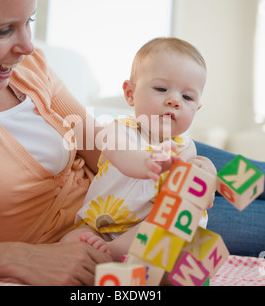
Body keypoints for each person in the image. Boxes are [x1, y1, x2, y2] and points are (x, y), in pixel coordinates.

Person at [0, 0, 216, 285]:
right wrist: (21, 258)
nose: (28, 46)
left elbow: (99, 144)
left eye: (29, 21)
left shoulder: (30, 66)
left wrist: (191, 171)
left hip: (133, 179)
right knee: (261, 234)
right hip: (97, 222)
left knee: (255, 182)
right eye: (4, 30)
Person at [60, 37, 215, 261]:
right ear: (130, 93)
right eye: (162, 88)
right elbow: (121, 154)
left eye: (187, 97)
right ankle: (113, 255)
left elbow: (190, 193)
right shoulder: (119, 129)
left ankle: (116, 253)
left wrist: (205, 171)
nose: (174, 100)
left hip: (147, 228)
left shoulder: (185, 147)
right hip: (100, 226)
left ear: (197, 108)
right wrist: (147, 162)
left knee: (172, 223)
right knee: (70, 242)